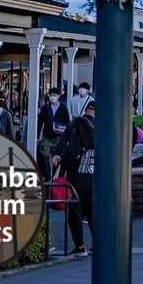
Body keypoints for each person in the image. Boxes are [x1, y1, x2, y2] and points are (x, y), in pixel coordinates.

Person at [53, 99, 96, 256]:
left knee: (74, 214)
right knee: (92, 214)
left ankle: (79, 246)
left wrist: (60, 167)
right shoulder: (97, 140)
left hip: (75, 182)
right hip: (93, 181)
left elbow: (67, 159)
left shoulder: (76, 141)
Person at [38, 87, 71, 173]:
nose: (52, 97)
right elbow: (40, 122)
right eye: (51, 95)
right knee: (46, 157)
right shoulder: (45, 108)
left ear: (59, 96)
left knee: (57, 158)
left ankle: (54, 176)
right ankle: (48, 175)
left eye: (54, 95)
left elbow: (67, 123)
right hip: (47, 137)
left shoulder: (63, 109)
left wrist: (67, 138)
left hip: (58, 137)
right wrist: (38, 135)